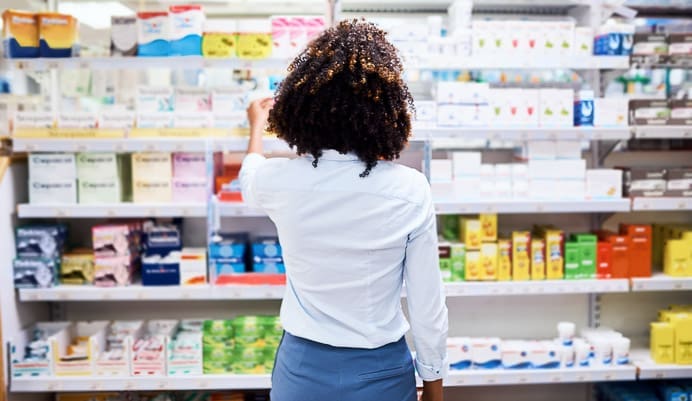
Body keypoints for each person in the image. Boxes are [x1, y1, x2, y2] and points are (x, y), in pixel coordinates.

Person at [240, 19, 448, 401]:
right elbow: (426, 303)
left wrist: (256, 125)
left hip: (301, 371)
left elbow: (248, 175)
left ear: (302, 106)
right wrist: (433, 386)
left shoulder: (279, 180)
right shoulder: (409, 189)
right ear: (386, 110)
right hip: (381, 373)